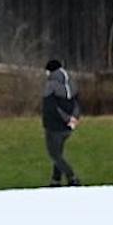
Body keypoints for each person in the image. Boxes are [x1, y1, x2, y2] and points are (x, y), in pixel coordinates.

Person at [42, 58, 81, 186]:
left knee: (54, 154)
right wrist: (73, 118)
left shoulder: (50, 85)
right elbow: (76, 104)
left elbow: (52, 108)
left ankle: (72, 177)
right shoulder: (72, 84)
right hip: (68, 128)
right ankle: (56, 179)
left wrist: (66, 118)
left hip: (54, 127)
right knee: (59, 153)